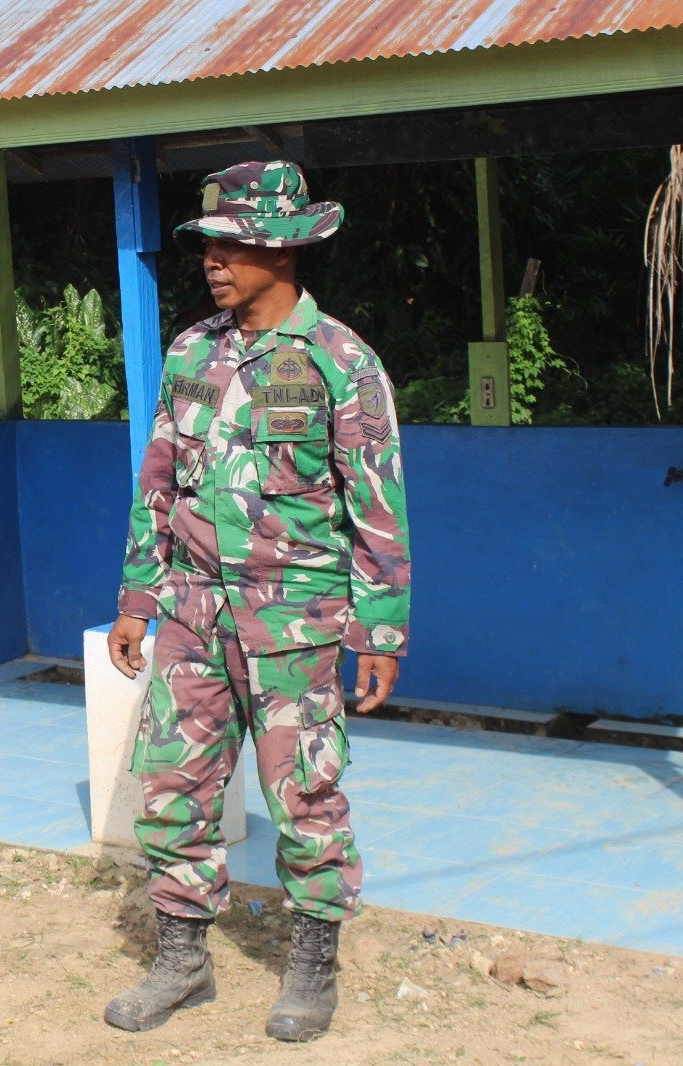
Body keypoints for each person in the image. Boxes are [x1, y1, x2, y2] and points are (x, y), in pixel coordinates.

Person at [103, 160, 411, 1043]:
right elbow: (158, 476)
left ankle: (312, 965)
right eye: (211, 244)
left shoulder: (339, 362)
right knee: (172, 789)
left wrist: (378, 628)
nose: (215, 260)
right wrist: (138, 594)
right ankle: (182, 957)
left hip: (294, 622)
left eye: (237, 244)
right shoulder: (193, 351)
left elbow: (377, 505)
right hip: (194, 614)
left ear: (287, 252)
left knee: (304, 796)